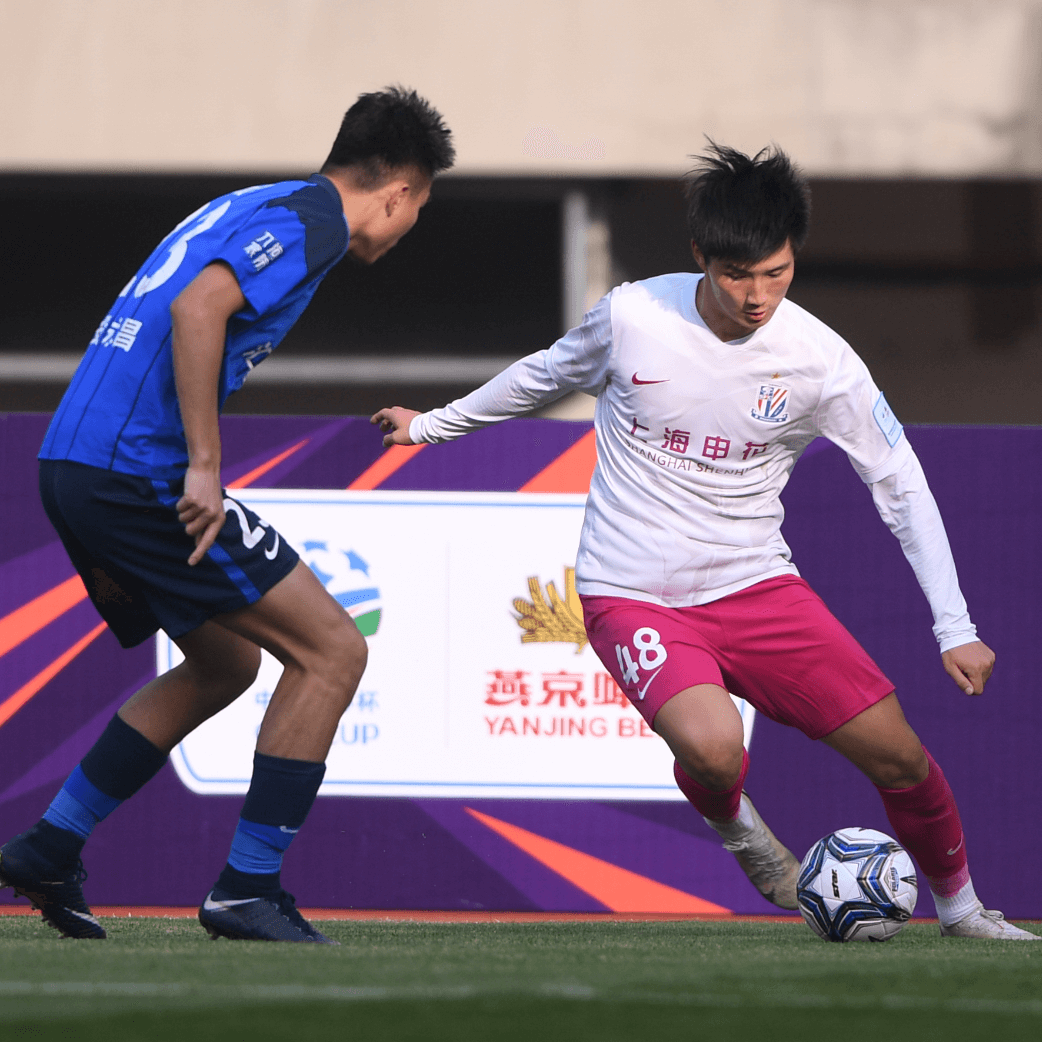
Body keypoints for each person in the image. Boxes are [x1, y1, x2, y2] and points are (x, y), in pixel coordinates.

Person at [372, 143, 1037, 940]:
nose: (757, 296)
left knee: (899, 757)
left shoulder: (820, 360)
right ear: (699, 255)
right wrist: (430, 427)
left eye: (777, 273)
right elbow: (542, 375)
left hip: (756, 586)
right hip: (633, 593)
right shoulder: (633, 317)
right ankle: (741, 831)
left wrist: (955, 625)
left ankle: (963, 911)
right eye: (736, 275)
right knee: (717, 751)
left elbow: (900, 483)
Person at [0, 87, 454, 943]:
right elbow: (198, 307)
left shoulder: (258, 202)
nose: (409, 226)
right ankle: (248, 888)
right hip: (133, 472)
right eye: (420, 208)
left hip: (74, 464)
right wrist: (203, 467)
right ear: (398, 191)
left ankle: (50, 845)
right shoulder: (316, 222)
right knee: (333, 650)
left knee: (225, 661)